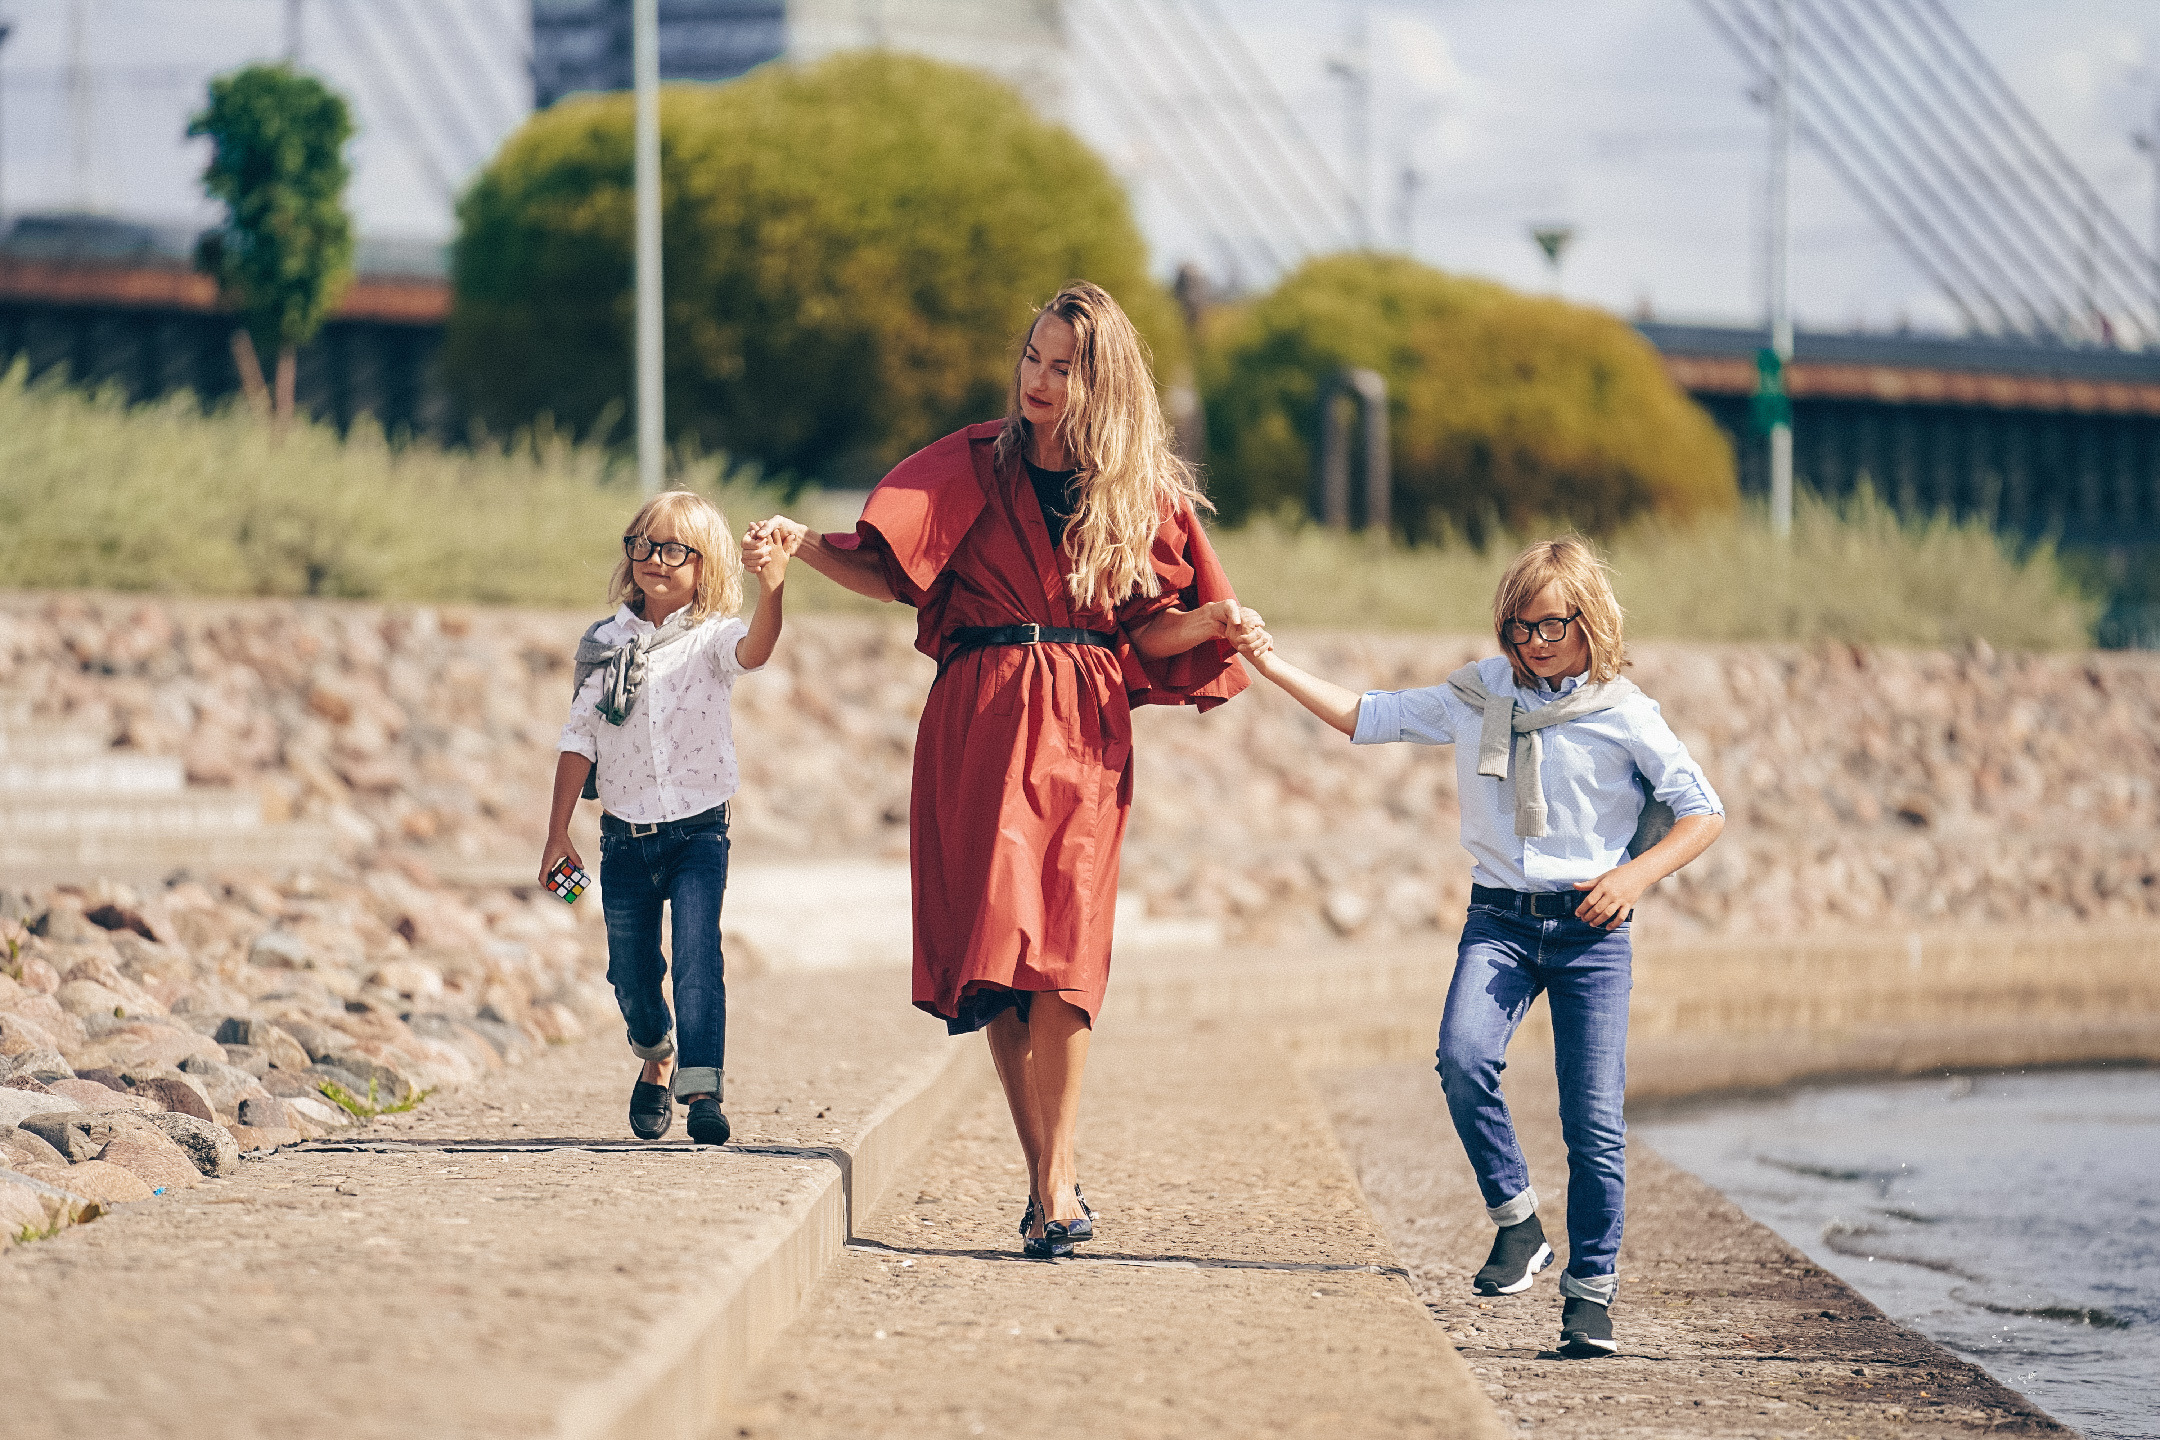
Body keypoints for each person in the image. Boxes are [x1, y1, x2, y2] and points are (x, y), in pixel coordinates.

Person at [742, 281, 1253, 1258]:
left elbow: (1153, 629)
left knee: (1063, 955)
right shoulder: (968, 464)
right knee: (1003, 961)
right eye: (1033, 358)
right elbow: (888, 569)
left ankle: (1053, 1181)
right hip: (979, 716)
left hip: (1084, 723)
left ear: (1104, 384)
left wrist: (1217, 619)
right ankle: (1047, 1187)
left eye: (1065, 367)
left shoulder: (1136, 496)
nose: (1041, 380)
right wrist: (802, 549)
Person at [1231, 537, 1724, 1358]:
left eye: (1552, 627)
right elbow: (1368, 716)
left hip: (1593, 931)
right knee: (1462, 1059)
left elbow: (1702, 811)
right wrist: (1272, 664)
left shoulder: (1623, 710)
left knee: (1593, 1122)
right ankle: (1518, 1224)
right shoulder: (1476, 692)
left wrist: (1634, 879)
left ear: (1590, 623)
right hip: (1499, 919)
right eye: (1520, 627)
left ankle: (1590, 1295)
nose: (1534, 644)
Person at [540, 489, 790, 1147]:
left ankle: (701, 1088)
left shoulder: (711, 640)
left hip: (698, 832)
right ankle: (656, 1053)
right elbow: (579, 737)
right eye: (644, 544)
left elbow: (756, 650)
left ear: (704, 564)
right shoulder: (603, 644)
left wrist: (775, 589)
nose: (656, 559)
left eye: (675, 548)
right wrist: (556, 831)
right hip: (623, 839)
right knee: (630, 972)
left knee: (697, 954)